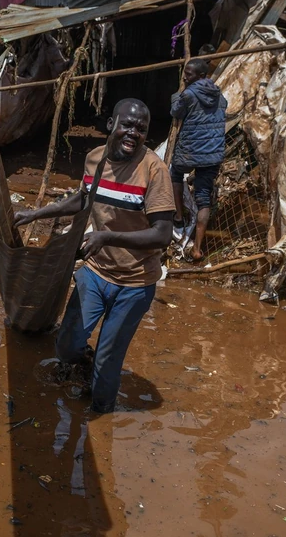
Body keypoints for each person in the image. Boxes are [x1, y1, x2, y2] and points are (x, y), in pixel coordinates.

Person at [13, 99, 175, 414]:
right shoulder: (95, 159)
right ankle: (84, 366)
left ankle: (101, 417)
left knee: (108, 362)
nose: (133, 133)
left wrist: (107, 237)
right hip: (96, 272)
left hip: (135, 283)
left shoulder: (154, 170)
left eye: (141, 129)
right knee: (67, 344)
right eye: (127, 125)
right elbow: (83, 198)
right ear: (111, 125)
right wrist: (36, 213)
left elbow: (162, 234)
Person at [170, 58, 227, 261]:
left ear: (201, 76)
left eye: (189, 74)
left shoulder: (188, 94)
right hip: (213, 154)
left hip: (190, 152)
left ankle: (178, 217)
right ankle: (197, 249)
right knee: (204, 199)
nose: (185, 77)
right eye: (185, 73)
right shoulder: (219, 95)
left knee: (175, 173)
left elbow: (175, 112)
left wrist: (176, 96)